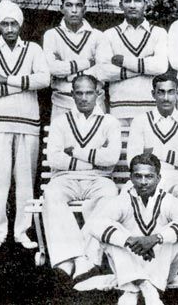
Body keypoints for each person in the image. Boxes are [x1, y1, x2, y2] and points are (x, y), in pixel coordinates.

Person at [0, 0, 50, 250]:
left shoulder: (34, 50)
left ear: (20, 25)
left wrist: (5, 80)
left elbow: (44, 79)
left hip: (28, 124)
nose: (10, 28)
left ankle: (22, 231)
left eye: (14, 23)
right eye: (5, 24)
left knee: (26, 182)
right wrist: (22, 83)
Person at [87, 153, 178, 305]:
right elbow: (95, 225)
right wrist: (129, 240)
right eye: (138, 176)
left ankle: (132, 288)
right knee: (111, 231)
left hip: (162, 266)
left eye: (149, 177)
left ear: (158, 178)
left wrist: (155, 239)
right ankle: (146, 287)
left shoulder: (169, 201)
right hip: (131, 259)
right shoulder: (123, 200)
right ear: (131, 178)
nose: (143, 182)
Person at [42, 74, 120, 278]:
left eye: (89, 93)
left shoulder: (109, 122)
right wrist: (95, 158)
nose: (84, 98)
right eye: (79, 93)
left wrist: (75, 152)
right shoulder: (60, 122)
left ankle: (87, 257)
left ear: (98, 94)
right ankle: (73, 258)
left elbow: (111, 158)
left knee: (110, 195)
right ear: (72, 94)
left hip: (100, 179)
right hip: (65, 178)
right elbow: (54, 159)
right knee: (51, 193)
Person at [127, 73, 178, 220]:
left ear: (177, 94)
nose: (166, 98)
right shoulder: (140, 121)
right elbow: (132, 160)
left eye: (170, 92)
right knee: (127, 193)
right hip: (147, 176)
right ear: (153, 94)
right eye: (161, 92)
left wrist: (154, 152)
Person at [95, 0, 169, 125]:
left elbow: (160, 66)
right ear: (121, 5)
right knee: (121, 147)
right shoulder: (109, 35)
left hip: (151, 109)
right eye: (127, 1)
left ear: (145, 4)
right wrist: (144, 67)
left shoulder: (159, 33)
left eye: (137, 0)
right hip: (119, 110)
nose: (132, 5)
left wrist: (123, 61)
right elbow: (103, 72)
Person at [42, 0, 107, 118]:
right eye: (69, 5)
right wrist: (88, 63)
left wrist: (70, 76)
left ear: (85, 9)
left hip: (94, 104)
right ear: (61, 8)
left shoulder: (97, 36)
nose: (74, 10)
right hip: (62, 104)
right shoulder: (51, 35)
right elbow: (51, 68)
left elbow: (102, 70)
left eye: (78, 5)